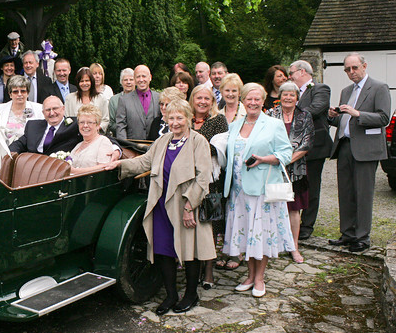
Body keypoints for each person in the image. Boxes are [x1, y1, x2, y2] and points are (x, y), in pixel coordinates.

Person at [111, 98, 215, 314]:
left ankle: (190, 295)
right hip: (161, 203)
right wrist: (117, 164)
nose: (175, 122)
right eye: (171, 118)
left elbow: (203, 177)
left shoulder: (198, 142)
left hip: (185, 204)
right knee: (163, 250)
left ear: (188, 118)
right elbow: (144, 162)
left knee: (190, 251)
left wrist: (189, 207)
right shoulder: (163, 141)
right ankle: (170, 295)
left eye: (179, 118)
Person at [222, 83, 296, 297]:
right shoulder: (235, 124)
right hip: (238, 191)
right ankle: (249, 275)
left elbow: (286, 153)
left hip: (262, 190)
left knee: (260, 235)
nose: (253, 103)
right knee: (246, 234)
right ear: (243, 101)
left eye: (257, 99)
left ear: (263, 101)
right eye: (249, 99)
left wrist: (265, 159)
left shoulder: (273, 124)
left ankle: (260, 278)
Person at [327, 53, 391, 253]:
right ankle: (347, 234)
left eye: (354, 68)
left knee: (363, 194)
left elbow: (383, 118)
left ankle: (362, 238)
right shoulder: (346, 91)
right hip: (345, 145)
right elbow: (344, 121)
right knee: (345, 193)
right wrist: (333, 117)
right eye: (347, 69)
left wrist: (358, 114)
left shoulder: (379, 87)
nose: (351, 72)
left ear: (364, 66)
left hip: (366, 150)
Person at [267, 81, 313, 263]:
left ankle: (293, 247)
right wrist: (276, 160)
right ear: (280, 96)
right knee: (274, 206)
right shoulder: (271, 115)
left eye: (291, 94)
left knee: (294, 209)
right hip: (273, 169)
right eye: (284, 94)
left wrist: (285, 160)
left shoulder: (305, 115)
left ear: (297, 97)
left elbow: (307, 143)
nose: (288, 97)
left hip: (296, 169)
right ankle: (274, 245)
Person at [188, 84, 228, 287]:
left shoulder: (218, 120)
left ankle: (209, 272)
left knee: (209, 226)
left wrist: (193, 146)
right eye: (198, 98)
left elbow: (218, 148)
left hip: (211, 183)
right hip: (187, 180)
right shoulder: (185, 120)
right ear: (192, 100)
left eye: (207, 98)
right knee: (191, 225)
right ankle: (193, 269)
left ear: (212, 102)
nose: (202, 102)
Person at [288, 60, 332, 241]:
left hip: (315, 147)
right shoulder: (294, 92)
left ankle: (307, 225)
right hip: (295, 147)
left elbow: (316, 109)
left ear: (301, 72)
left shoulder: (320, 89)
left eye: (291, 72)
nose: (289, 76)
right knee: (295, 185)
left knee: (311, 186)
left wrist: (289, 115)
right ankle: (293, 222)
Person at [111, 65, 160, 141]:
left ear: (150, 77)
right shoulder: (124, 100)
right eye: (138, 77)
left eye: (144, 76)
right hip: (133, 147)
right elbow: (121, 126)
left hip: (156, 146)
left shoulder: (159, 98)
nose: (141, 80)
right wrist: (124, 146)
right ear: (134, 79)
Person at [0, 75, 44, 145]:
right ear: (10, 94)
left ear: (27, 93)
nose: (19, 94)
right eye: (15, 92)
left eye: (23, 91)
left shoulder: (39, 109)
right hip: (5, 150)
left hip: (29, 151)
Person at [69, 104, 114, 173]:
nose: (85, 126)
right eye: (82, 122)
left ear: (98, 125)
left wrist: (76, 171)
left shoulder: (103, 142)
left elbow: (104, 168)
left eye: (90, 122)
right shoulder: (78, 145)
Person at [65, 67, 109, 132]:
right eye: (82, 81)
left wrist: (95, 129)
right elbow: (66, 118)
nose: (84, 83)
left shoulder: (101, 99)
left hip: (96, 135)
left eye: (87, 81)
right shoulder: (69, 98)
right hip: (75, 135)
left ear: (92, 82)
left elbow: (105, 120)